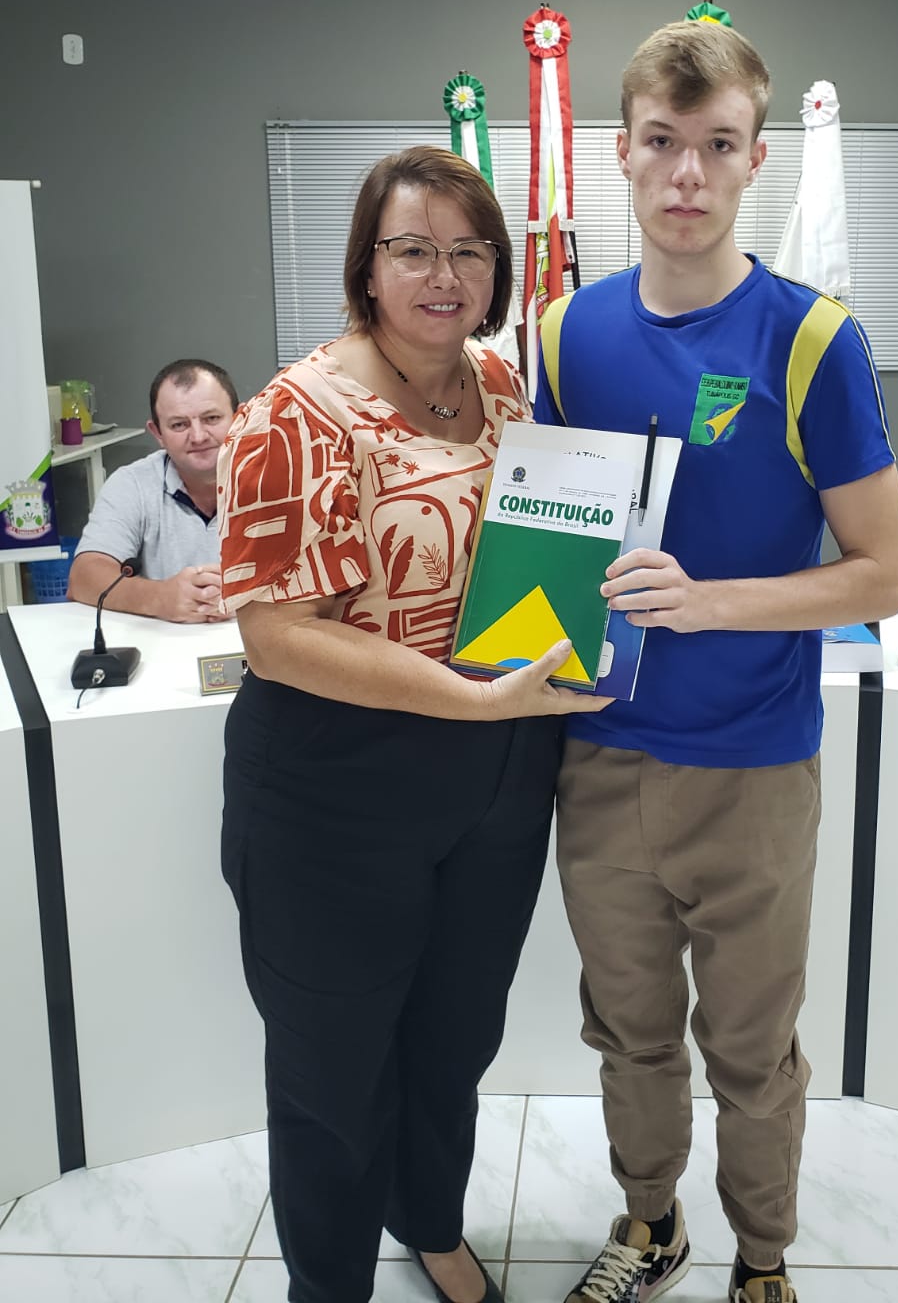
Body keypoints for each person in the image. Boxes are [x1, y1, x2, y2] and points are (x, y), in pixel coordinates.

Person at [534, 22, 898, 1303]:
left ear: (756, 158)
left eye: (717, 145)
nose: (686, 172)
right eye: (662, 141)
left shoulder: (813, 341)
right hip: (600, 757)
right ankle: (651, 1225)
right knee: (628, 1032)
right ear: (622, 153)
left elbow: (883, 574)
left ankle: (762, 1259)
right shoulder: (562, 333)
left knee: (751, 1052)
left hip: (752, 768)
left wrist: (708, 605)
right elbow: (553, 538)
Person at [217, 146, 610, 1303]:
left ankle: (429, 1219)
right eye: (414, 250)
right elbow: (277, 637)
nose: (445, 275)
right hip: (336, 782)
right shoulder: (293, 415)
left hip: (497, 767)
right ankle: (329, 1284)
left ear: (496, 270)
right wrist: (472, 698)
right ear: (367, 266)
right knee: (332, 1072)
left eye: (470, 251)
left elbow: (537, 562)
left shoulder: (504, 387)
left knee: (453, 1039)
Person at [67, 358, 239, 622]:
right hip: (162, 639)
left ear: (240, 418)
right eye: (179, 424)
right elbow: (83, 578)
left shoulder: (283, 478)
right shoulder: (132, 484)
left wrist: (247, 598)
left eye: (212, 418)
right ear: (157, 433)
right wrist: (159, 598)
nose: (198, 436)